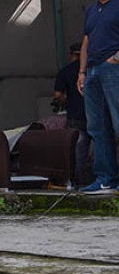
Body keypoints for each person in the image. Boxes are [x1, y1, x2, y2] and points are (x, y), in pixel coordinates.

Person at [77, 0, 119, 194]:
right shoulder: (92, 10)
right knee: (97, 127)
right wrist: (82, 72)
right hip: (92, 70)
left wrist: (116, 59)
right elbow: (86, 41)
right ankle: (106, 178)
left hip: (114, 68)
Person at [53, 42, 92, 186]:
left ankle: (79, 182)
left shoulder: (65, 71)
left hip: (75, 116)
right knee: (103, 148)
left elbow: (58, 95)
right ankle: (105, 179)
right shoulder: (93, 69)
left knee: (78, 152)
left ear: (72, 55)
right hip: (96, 115)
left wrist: (68, 100)